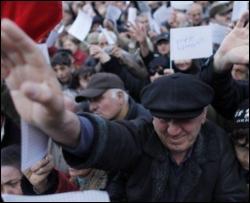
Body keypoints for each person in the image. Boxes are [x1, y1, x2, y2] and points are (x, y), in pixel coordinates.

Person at [1, 15, 248, 202]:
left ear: (204, 115)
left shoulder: (218, 144)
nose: (173, 131)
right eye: (163, 119)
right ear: (151, 117)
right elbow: (105, 138)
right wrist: (62, 124)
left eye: (184, 120)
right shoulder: (139, 135)